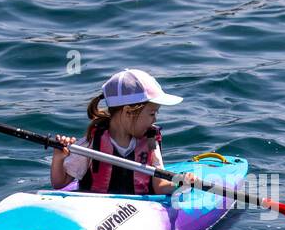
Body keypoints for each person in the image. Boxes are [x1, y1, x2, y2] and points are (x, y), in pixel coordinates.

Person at [50, 69, 198, 195]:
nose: (154, 120)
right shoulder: (92, 143)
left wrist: (179, 183)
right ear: (128, 112)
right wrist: (59, 158)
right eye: (152, 114)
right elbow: (59, 183)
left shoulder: (150, 142)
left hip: (137, 210)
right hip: (96, 209)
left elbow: (158, 186)